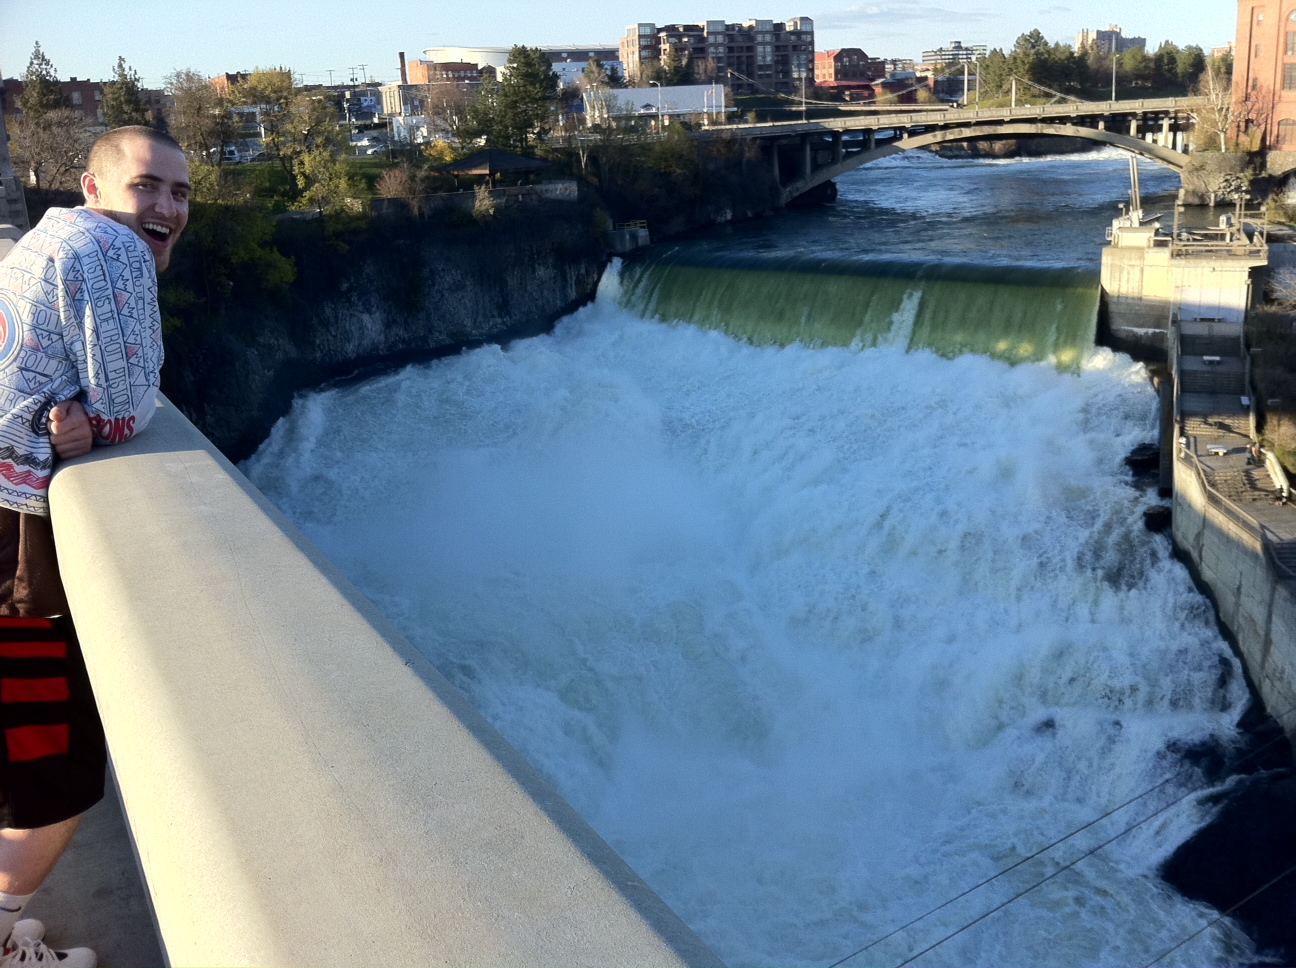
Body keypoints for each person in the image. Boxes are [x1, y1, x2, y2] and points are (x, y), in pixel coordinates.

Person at [0, 125, 189, 967]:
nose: (166, 207)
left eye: (181, 194)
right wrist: (84, 421)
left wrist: (66, 413)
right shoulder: (113, 254)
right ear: (94, 187)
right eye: (147, 185)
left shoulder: (43, 240)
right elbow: (127, 408)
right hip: (13, 550)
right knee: (54, 772)